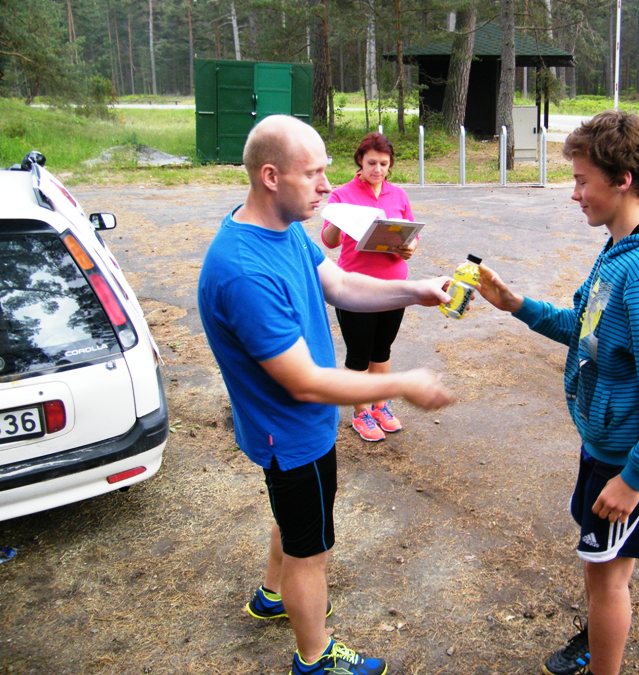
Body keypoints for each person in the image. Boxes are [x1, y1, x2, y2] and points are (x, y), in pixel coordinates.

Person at [197, 115, 454, 675]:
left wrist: (414, 290)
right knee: (310, 551)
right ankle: (314, 656)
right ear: (271, 176)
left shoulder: (281, 228)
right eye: (312, 173)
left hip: (298, 431)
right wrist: (401, 383)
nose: (326, 185)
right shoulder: (244, 271)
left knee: (296, 521)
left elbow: (337, 282)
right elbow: (305, 381)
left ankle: (273, 594)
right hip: (290, 434)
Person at [476, 110, 639, 675]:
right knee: (603, 568)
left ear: (622, 179)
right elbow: (588, 330)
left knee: (607, 580)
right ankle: (598, 634)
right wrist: (517, 305)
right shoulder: (619, 250)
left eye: (582, 180)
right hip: (606, 443)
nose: (575, 193)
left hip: (627, 457)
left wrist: (633, 479)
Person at [321, 132, 418, 442]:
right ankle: (360, 412)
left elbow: (413, 235)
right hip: (356, 287)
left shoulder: (398, 195)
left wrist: (409, 247)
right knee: (359, 353)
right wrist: (339, 221)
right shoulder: (342, 195)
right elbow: (329, 241)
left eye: (384, 164)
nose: (378, 169)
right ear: (360, 162)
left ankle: (380, 405)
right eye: (372, 163)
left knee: (382, 349)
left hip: (394, 285)